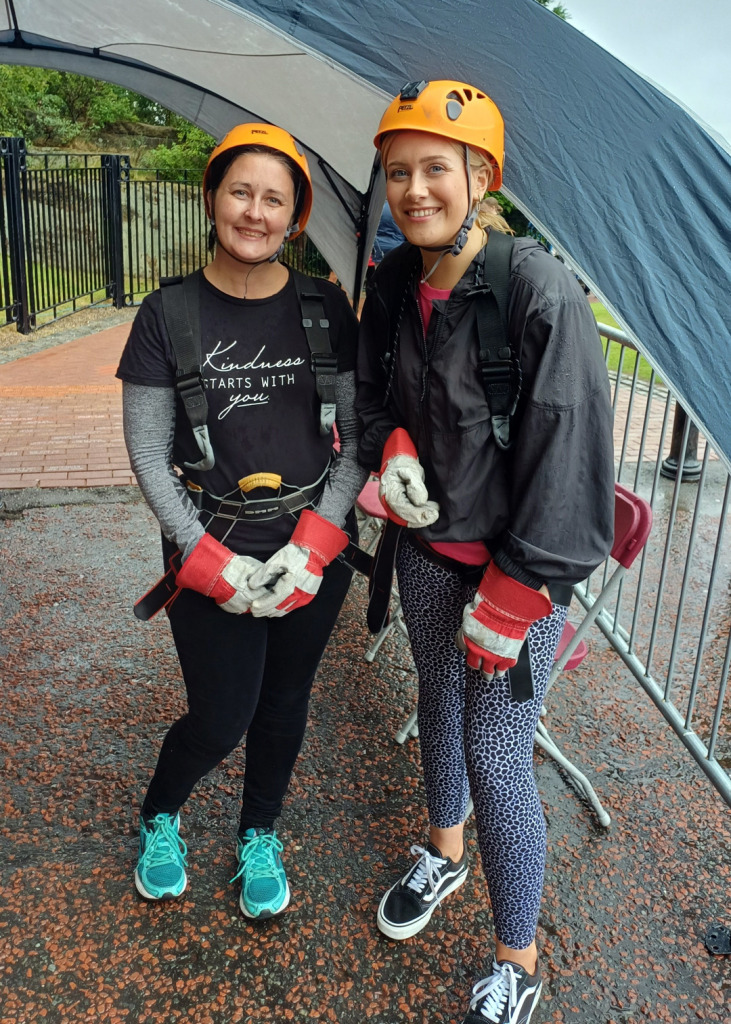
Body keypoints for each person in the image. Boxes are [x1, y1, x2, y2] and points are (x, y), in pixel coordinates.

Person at [356, 81, 615, 1023]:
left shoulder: (532, 289)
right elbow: (370, 396)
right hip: (424, 555)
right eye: (397, 172)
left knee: (499, 757)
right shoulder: (391, 282)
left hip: (515, 585)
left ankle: (519, 959)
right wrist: (386, 448)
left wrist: (512, 602)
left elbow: (571, 459)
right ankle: (444, 854)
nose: (414, 189)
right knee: (434, 703)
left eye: (435, 169)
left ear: (480, 176)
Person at [117, 122, 367, 918]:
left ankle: (259, 831)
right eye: (240, 192)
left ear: (295, 218)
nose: (254, 212)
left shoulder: (325, 306)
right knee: (221, 715)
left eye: (274, 199)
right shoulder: (168, 314)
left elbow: (356, 440)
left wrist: (317, 545)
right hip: (211, 542)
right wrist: (202, 557)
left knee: (285, 700)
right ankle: (162, 814)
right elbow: (150, 455)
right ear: (211, 198)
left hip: (309, 546)